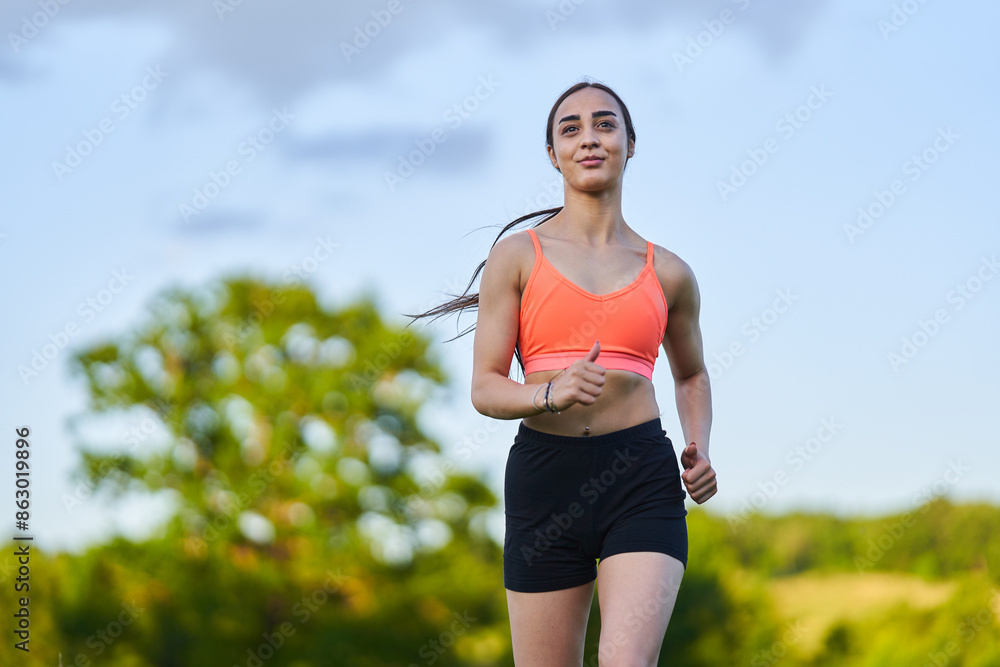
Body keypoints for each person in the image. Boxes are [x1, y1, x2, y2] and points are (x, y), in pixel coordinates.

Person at [405, 79, 717, 666]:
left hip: (641, 478)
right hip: (545, 484)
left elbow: (691, 376)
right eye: (569, 129)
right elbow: (486, 389)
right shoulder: (518, 257)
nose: (589, 139)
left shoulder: (670, 272)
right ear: (553, 154)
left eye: (605, 124)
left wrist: (699, 447)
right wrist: (551, 392)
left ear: (629, 143)